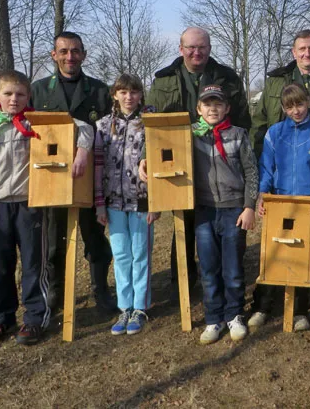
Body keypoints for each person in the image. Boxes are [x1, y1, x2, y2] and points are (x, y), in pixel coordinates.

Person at [0, 70, 93, 345]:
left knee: (35, 263)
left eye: (20, 94)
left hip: (31, 205)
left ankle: (35, 318)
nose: (14, 99)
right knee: (0, 266)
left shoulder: (39, 124)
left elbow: (83, 127)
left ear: (29, 96)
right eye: (8, 94)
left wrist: (82, 151)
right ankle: (1, 317)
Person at [145, 27, 251, 299]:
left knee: (218, 223)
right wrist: (149, 155)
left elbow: (242, 120)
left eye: (201, 47)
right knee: (184, 223)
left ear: (210, 48)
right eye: (190, 47)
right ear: (181, 49)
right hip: (178, 162)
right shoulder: (164, 80)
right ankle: (180, 281)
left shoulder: (227, 78)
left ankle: (226, 277)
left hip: (219, 162)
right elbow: (152, 126)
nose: (196, 52)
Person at [250, 29, 310, 293]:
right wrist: (262, 171)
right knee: (282, 230)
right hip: (281, 170)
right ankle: (279, 280)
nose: (307, 53)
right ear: (293, 52)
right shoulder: (275, 82)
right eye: (302, 49)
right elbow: (260, 123)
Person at [31, 31, 116, 312]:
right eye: (64, 51)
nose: (70, 56)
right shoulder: (39, 90)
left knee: (95, 237)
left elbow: (108, 133)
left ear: (84, 54)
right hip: (52, 177)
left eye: (76, 51)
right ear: (54, 55)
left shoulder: (100, 91)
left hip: (90, 178)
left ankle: (100, 288)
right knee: (54, 239)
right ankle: (56, 291)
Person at [249, 83, 310, 331]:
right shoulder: (274, 134)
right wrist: (263, 195)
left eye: (299, 104)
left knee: (302, 254)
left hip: (306, 204)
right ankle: (262, 306)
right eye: (289, 107)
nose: (295, 111)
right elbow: (266, 166)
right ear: (283, 109)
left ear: (308, 102)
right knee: (274, 251)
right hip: (279, 201)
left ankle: (300, 310)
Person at [180, 85, 260, 344]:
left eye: (218, 104)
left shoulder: (238, 134)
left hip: (234, 209)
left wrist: (249, 206)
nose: (212, 108)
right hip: (204, 210)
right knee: (208, 267)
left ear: (226, 108)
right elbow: (162, 142)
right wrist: (146, 159)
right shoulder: (190, 134)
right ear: (198, 109)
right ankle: (213, 318)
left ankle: (235, 314)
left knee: (233, 266)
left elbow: (251, 171)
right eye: (207, 104)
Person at [94, 73, 160, 336]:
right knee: (121, 254)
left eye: (133, 92)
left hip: (143, 200)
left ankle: (140, 306)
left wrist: (156, 202)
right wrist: (100, 204)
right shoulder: (102, 126)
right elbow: (97, 169)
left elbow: (160, 161)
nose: (128, 97)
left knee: (141, 253)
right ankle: (125, 306)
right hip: (113, 202)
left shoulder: (150, 123)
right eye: (123, 92)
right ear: (115, 95)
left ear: (140, 94)